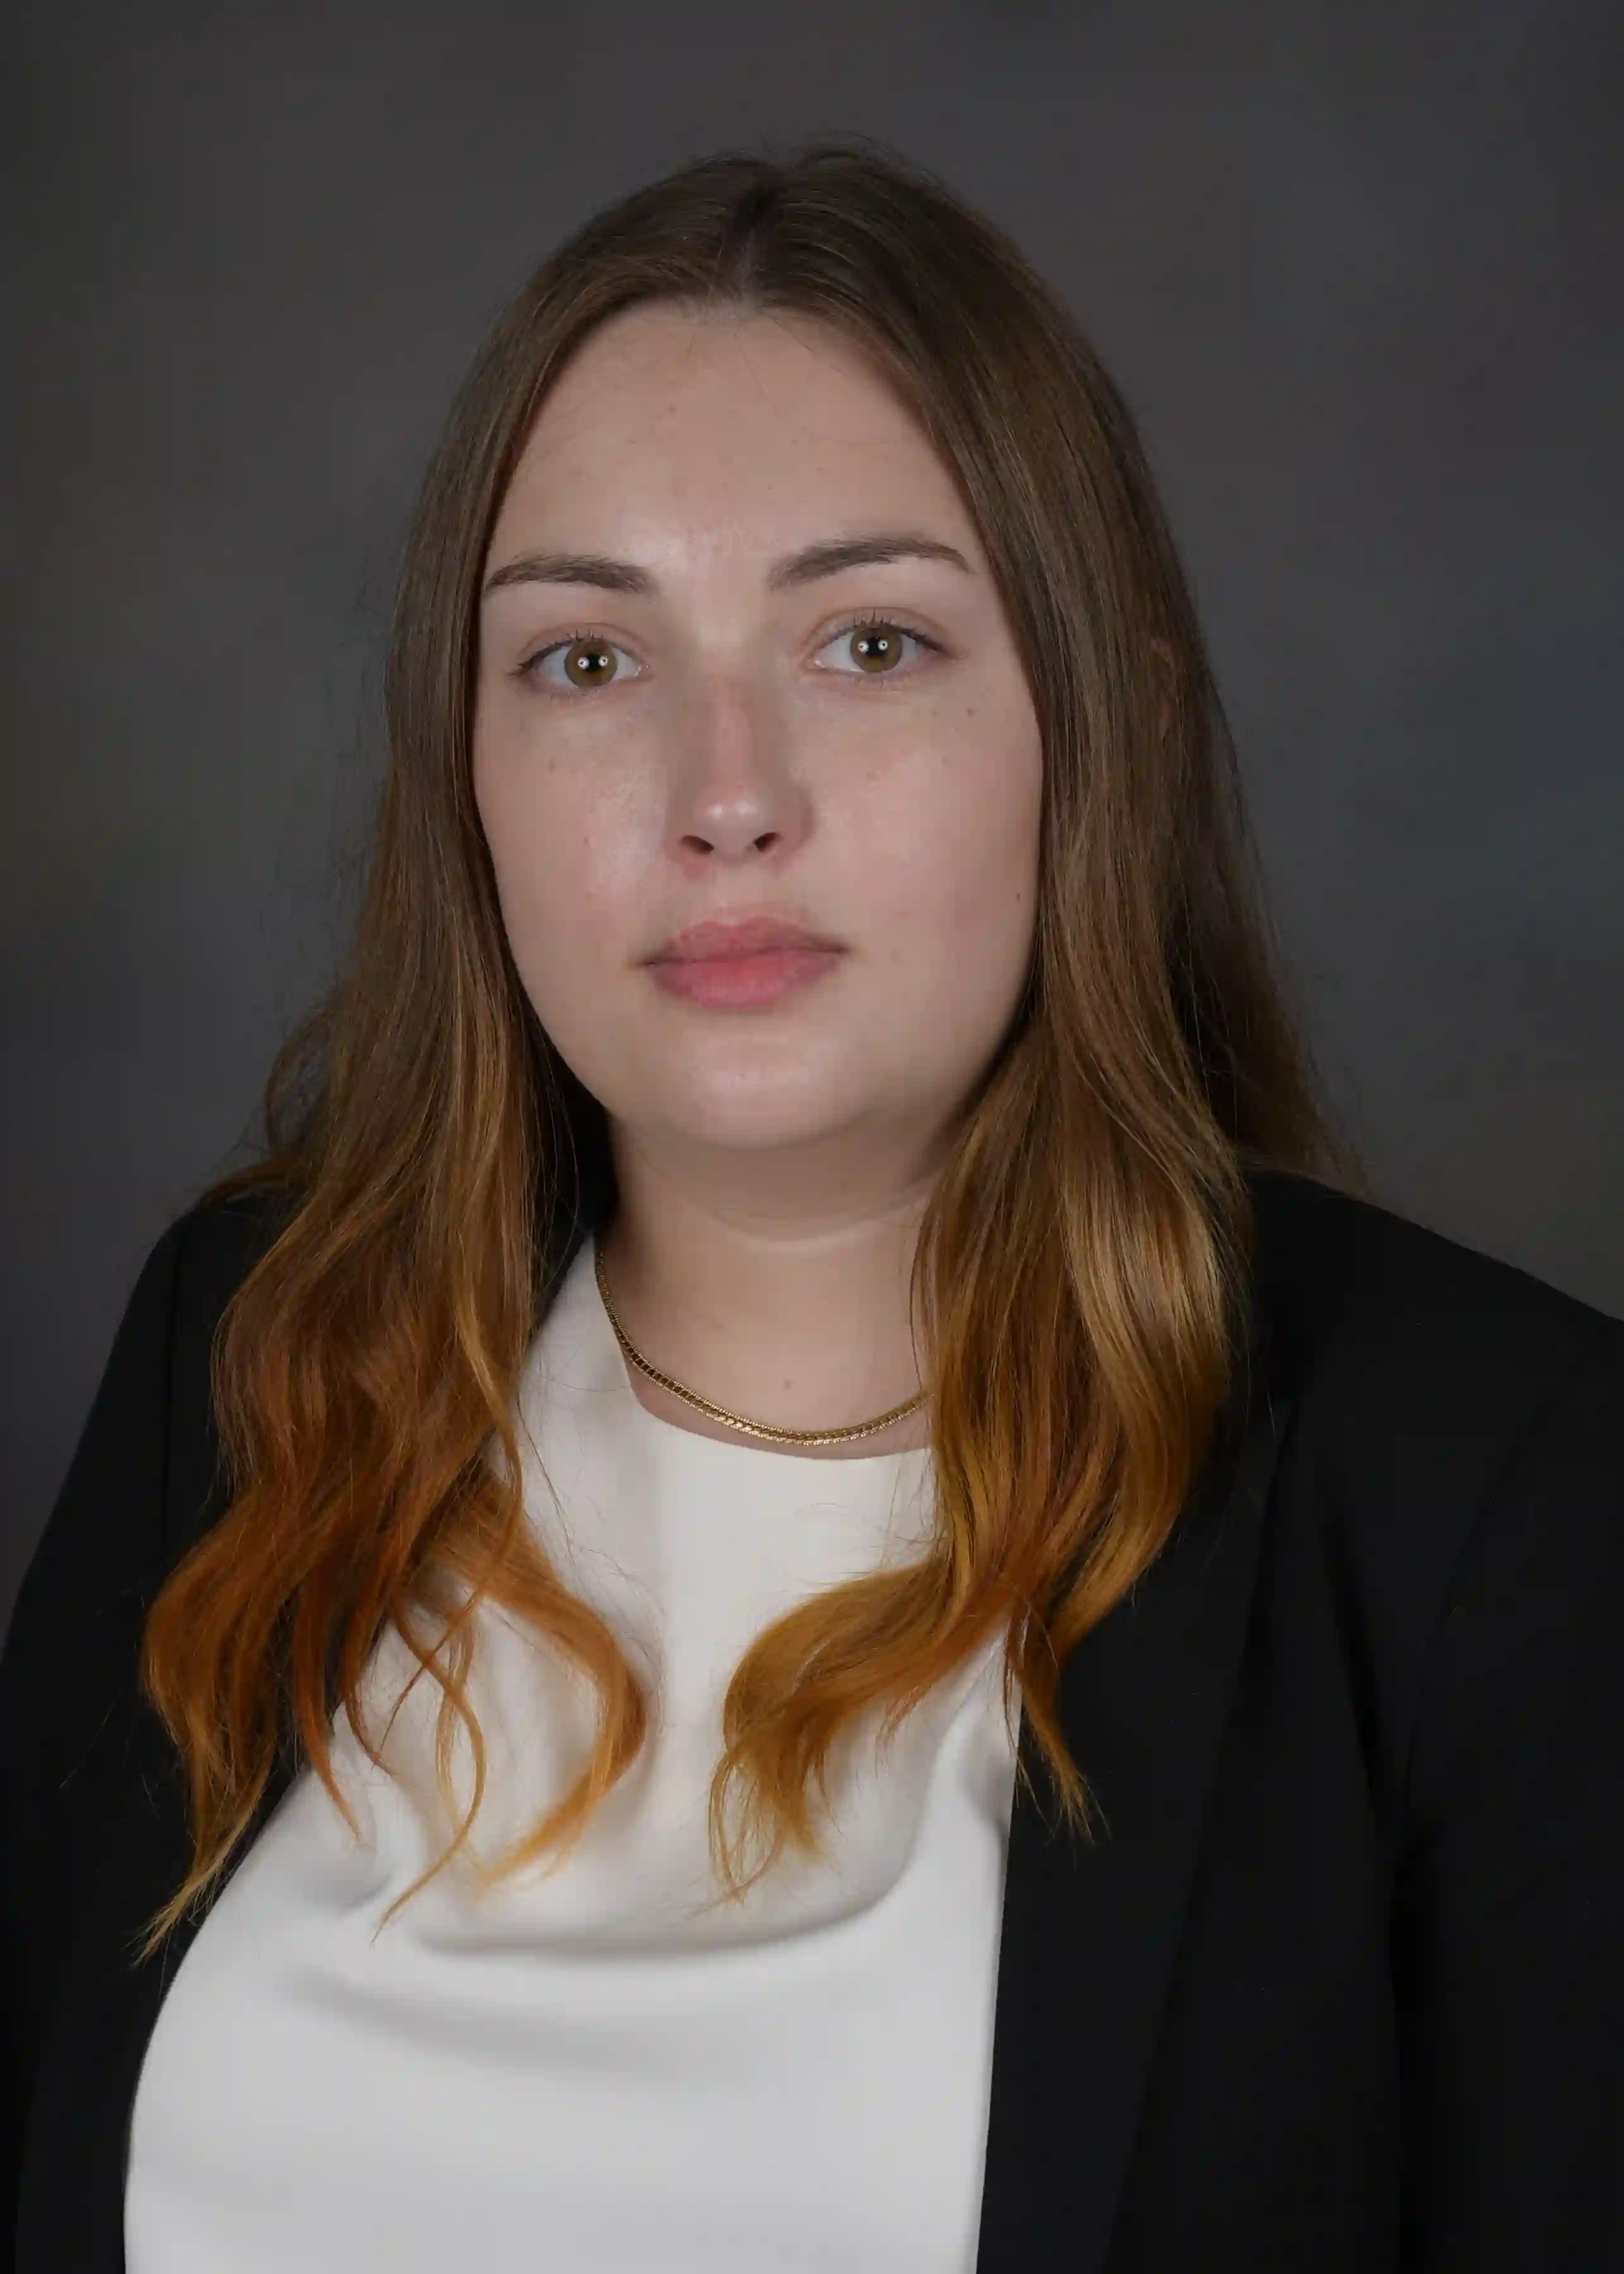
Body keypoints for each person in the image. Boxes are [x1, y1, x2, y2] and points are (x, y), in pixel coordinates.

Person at [3, 139, 1621, 2274]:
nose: (726, 797)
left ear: (1109, 735)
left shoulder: (1494, 1491)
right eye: (587, 662)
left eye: (871, 641)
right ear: (464, 775)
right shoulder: (245, 1353)